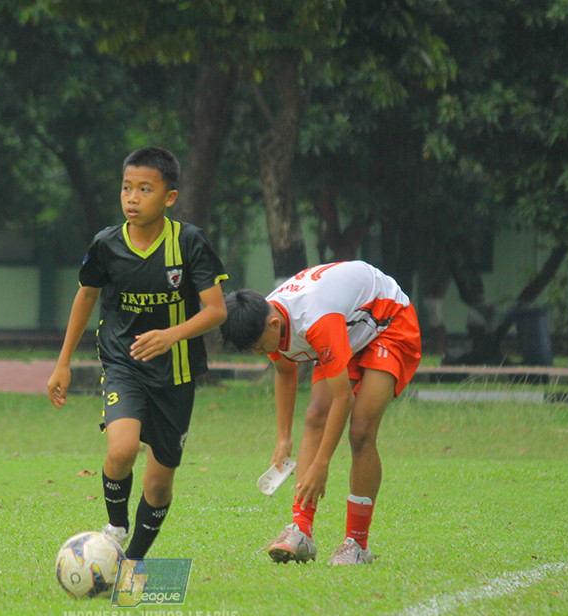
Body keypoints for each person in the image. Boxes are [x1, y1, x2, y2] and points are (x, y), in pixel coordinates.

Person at [46, 147, 228, 560]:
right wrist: (62, 364)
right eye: (127, 188)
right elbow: (87, 295)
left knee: (159, 483)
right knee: (121, 450)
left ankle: (133, 562)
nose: (132, 197)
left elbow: (216, 310)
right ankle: (115, 527)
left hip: (175, 374)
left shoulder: (189, 242)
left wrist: (171, 335)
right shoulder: (106, 244)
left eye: (145, 189)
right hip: (122, 363)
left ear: (169, 197)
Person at [220, 261, 421, 565]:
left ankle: (356, 544)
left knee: (361, 430)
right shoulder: (267, 316)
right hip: (349, 325)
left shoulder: (314, 320)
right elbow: (285, 372)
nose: (262, 354)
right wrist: (283, 438)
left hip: (387, 321)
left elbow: (343, 398)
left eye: (261, 347)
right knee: (315, 415)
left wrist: (321, 464)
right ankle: (300, 530)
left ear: (274, 324)